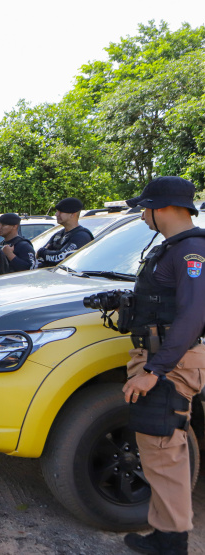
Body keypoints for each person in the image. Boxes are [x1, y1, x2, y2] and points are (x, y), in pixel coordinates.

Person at [116, 177, 205, 555]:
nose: (141, 215)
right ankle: (165, 534)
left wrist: (155, 372)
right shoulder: (172, 249)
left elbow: (194, 315)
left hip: (170, 361)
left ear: (163, 207)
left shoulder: (192, 251)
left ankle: (173, 545)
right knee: (157, 449)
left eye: (144, 208)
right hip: (159, 356)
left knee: (164, 446)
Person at [36, 197, 94, 268]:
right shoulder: (59, 234)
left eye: (60, 211)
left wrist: (43, 252)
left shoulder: (81, 236)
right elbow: (40, 255)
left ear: (73, 214)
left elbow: (60, 258)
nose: (56, 214)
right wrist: (44, 253)